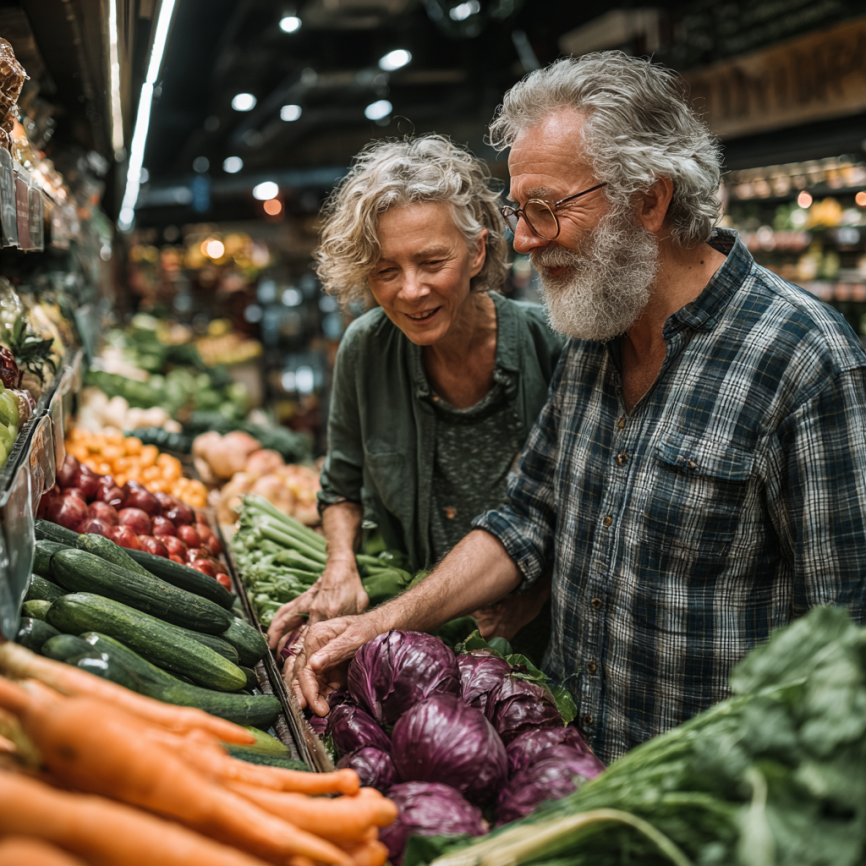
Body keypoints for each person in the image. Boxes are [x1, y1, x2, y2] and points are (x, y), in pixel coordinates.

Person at [290, 52, 866, 765]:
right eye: (517, 211)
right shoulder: (594, 338)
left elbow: (847, 637)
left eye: (544, 209)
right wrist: (379, 624)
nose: (523, 241)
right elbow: (523, 521)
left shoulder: (803, 361)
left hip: (706, 803)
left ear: (649, 201)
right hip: (571, 771)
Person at [266, 134, 563, 660]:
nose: (410, 291)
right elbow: (342, 485)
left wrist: (534, 596)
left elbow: (586, 508)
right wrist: (341, 563)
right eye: (386, 270)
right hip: (416, 637)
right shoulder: (365, 349)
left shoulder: (552, 345)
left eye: (431, 262)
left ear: (476, 250)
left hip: (543, 639)